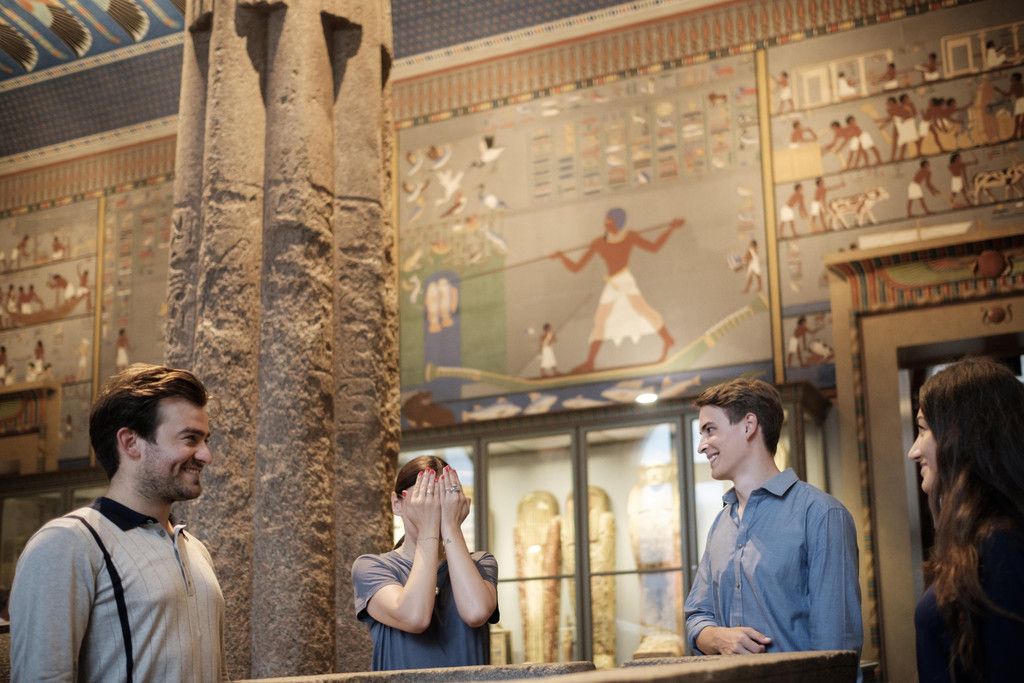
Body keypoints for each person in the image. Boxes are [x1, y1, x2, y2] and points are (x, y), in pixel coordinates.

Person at [9, 364, 226, 682]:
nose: (206, 455)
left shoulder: (195, 550)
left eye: (205, 440)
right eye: (190, 438)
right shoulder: (66, 543)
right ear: (130, 443)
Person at [684, 378, 862, 658]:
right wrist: (717, 638)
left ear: (748, 426)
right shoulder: (720, 525)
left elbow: (836, 651)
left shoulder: (822, 516)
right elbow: (696, 616)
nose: (701, 446)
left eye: (710, 430)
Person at [909, 357, 1024, 682]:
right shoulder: (985, 538)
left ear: (962, 434)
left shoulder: (1002, 547)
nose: (913, 451)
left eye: (923, 429)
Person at [352, 456, 499, 671]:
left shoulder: (481, 563)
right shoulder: (371, 567)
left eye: (443, 501)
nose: (434, 510)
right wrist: (429, 530)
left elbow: (476, 612)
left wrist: (451, 527)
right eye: (425, 498)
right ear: (396, 504)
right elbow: (415, 617)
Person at [550, 208, 683, 373]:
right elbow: (576, 268)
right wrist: (561, 257)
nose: (606, 224)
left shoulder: (630, 236)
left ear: (618, 223)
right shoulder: (598, 243)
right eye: (606, 221)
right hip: (612, 283)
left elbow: (654, 247)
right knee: (600, 320)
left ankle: (668, 340)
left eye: (610, 221)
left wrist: (670, 229)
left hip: (625, 280)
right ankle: (590, 362)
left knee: (644, 310)